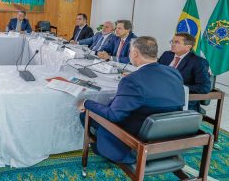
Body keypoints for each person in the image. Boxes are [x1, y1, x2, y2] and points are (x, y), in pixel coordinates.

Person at [78, 36, 185, 164]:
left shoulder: (132, 80)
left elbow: (114, 116)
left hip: (136, 140)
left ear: (134, 53)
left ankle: (103, 148)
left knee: (85, 114)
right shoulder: (174, 73)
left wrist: (86, 102)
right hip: (169, 134)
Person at [158, 33, 211, 111]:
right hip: (159, 93)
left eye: (177, 42)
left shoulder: (198, 62)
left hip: (180, 99)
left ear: (188, 47)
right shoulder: (167, 55)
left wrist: (178, 87)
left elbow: (204, 87)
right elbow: (156, 72)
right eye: (172, 41)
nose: (172, 44)